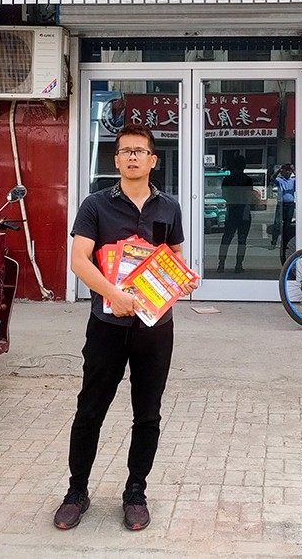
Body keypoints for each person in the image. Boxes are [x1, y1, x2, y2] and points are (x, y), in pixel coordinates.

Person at [53, 123, 196, 533]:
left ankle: (136, 492)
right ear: (115, 160)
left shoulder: (169, 207)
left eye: (140, 151)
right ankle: (76, 492)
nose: (133, 157)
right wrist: (111, 293)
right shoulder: (95, 205)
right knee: (90, 411)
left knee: (147, 414)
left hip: (155, 327)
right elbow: (79, 260)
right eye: (125, 151)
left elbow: (174, 256)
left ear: (153, 160)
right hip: (106, 326)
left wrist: (181, 279)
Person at [218, 155, 255, 274]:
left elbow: (224, 195)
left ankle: (221, 264)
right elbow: (249, 197)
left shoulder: (227, 180)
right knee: (242, 240)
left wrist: (232, 201)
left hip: (231, 210)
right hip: (244, 211)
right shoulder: (247, 179)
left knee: (226, 238)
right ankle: (238, 265)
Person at [272, 163, 296, 262]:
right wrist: (278, 170)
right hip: (281, 204)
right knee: (277, 223)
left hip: (290, 204)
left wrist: (294, 170)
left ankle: (285, 243)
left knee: (287, 225)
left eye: (289, 170)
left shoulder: (293, 180)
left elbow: (300, 180)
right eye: (285, 170)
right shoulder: (280, 180)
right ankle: (274, 241)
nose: (287, 172)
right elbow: (272, 178)